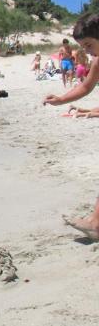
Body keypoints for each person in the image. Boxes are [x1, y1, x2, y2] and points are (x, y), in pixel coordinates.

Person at [43, 15, 99, 239]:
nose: (87, 51)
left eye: (89, 45)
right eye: (83, 47)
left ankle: (96, 223)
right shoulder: (97, 61)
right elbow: (85, 87)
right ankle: (95, 222)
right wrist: (61, 100)